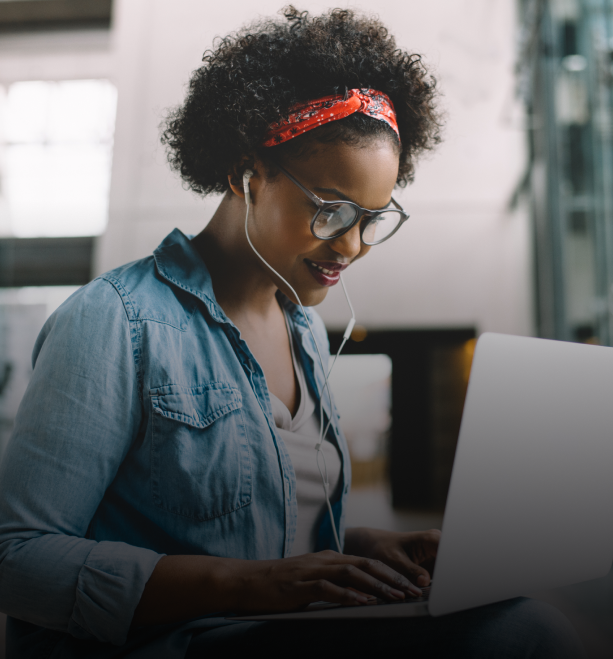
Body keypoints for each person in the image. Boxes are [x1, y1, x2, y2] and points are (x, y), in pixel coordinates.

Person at [0, 6, 584, 658]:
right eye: (331, 210)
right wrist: (242, 585)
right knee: (524, 634)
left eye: (372, 217)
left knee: (521, 613)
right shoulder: (113, 321)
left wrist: (366, 550)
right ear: (246, 173)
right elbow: (17, 557)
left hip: (283, 633)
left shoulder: (300, 329)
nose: (354, 245)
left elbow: (264, 531)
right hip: (185, 642)